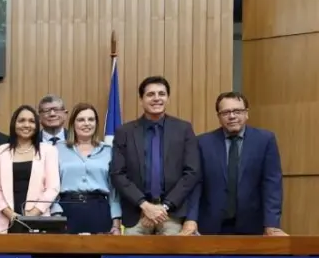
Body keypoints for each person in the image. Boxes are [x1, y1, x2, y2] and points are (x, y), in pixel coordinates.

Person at [184, 92, 286, 236]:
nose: (232, 116)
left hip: (253, 224)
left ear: (246, 114)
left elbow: (272, 184)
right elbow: (196, 184)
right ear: (219, 117)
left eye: (237, 111)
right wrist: (191, 219)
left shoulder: (265, 140)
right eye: (225, 112)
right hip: (210, 225)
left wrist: (271, 224)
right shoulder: (203, 143)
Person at [109, 76, 200, 235]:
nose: (157, 98)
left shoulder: (184, 129)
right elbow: (118, 173)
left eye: (161, 94)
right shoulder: (125, 132)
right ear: (141, 100)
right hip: (136, 214)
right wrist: (145, 205)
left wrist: (163, 208)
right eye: (150, 94)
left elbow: (192, 173)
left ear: (167, 98)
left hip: (171, 214)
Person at [0, 105, 60, 233]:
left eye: (31, 121)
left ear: (37, 126)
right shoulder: (0, 152)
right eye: (21, 120)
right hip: (5, 221)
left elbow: (52, 188)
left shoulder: (48, 151)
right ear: (14, 124)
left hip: (38, 219)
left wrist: (32, 214)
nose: (26, 125)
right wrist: (11, 215)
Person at [53, 103, 122, 234]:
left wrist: (116, 223)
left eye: (91, 119)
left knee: (99, 253)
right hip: (66, 210)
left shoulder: (108, 151)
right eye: (81, 120)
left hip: (99, 210)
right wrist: (56, 215)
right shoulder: (58, 149)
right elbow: (52, 185)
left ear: (96, 123)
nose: (86, 123)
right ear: (73, 124)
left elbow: (114, 191)